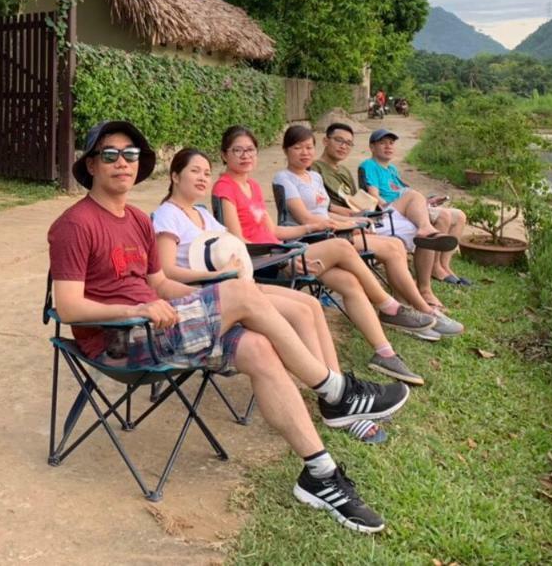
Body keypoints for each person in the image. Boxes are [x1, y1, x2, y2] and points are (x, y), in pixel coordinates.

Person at [50, 121, 409, 532]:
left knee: (257, 345)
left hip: (158, 328)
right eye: (109, 155)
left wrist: (205, 290)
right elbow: (70, 307)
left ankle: (320, 474)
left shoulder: (136, 219)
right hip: (118, 339)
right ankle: (335, 392)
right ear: (91, 165)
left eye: (130, 155)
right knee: (242, 295)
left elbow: (159, 283)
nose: (122, 163)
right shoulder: (75, 224)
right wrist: (146, 310)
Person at [152, 148, 424, 416]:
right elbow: (166, 270)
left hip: (236, 282)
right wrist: (218, 275)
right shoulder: (168, 214)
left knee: (311, 305)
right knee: (301, 310)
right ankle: (337, 396)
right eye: (194, 171)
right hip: (209, 295)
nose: (202, 177)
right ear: (175, 176)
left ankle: (339, 392)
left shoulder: (202, 214)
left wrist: (281, 256)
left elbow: (236, 249)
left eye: (206, 173)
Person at [211, 125, 457, 343]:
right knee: (347, 247)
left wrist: (325, 224)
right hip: (271, 260)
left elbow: (273, 230)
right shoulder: (229, 187)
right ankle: (399, 307)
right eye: (238, 151)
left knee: (351, 282)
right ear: (224, 154)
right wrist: (296, 245)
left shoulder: (253, 185)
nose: (246, 156)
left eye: (250, 150)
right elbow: (239, 243)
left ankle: (385, 353)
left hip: (289, 248)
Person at [314, 122, 472, 289]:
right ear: (325, 141)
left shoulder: (348, 170)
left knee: (428, 208)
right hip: (357, 221)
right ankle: (429, 277)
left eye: (348, 143)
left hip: (369, 216)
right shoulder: (317, 170)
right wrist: (359, 216)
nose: (343, 146)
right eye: (339, 140)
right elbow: (326, 207)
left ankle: (438, 271)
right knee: (430, 215)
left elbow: (357, 199)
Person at [360, 129, 473, 307]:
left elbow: (402, 191)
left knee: (459, 215)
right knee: (441, 216)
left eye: (391, 143)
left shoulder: (391, 169)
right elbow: (374, 196)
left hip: (408, 206)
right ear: (372, 147)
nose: (388, 146)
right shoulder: (369, 165)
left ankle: (444, 265)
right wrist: (394, 203)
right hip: (391, 210)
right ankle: (434, 268)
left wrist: (425, 202)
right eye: (383, 143)